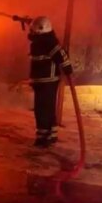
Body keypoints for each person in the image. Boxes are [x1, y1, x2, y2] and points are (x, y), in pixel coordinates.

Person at [28, 16, 73, 148]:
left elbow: (62, 56)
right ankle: (47, 136)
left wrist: (67, 68)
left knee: (44, 110)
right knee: (42, 110)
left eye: (34, 31)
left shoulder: (49, 43)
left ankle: (45, 138)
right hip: (40, 82)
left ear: (41, 30)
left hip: (48, 82)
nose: (32, 33)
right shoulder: (39, 43)